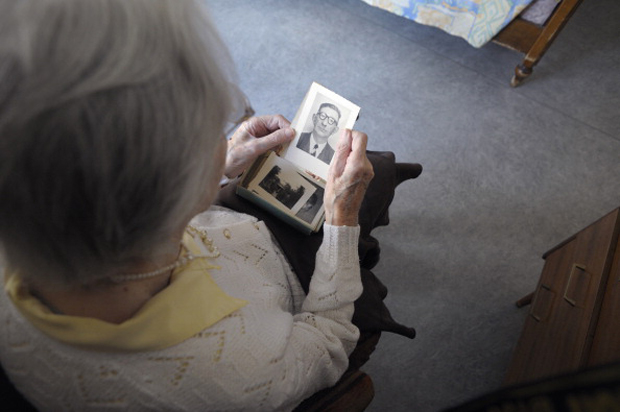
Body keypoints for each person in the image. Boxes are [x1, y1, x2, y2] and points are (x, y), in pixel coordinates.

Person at [0, 0, 419, 410]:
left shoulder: (31, 220)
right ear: (164, 196)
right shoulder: (233, 373)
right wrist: (342, 222)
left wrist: (223, 161)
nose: (226, 139)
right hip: (297, 281)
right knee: (373, 173)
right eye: (214, 134)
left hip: (220, 225)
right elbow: (328, 340)